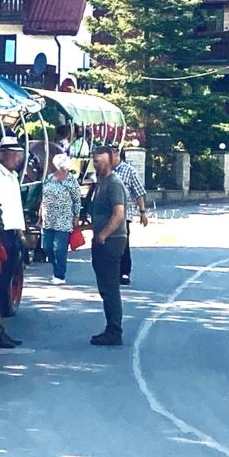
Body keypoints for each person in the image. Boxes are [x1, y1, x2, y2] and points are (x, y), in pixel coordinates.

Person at [0, 136, 26, 348]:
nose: (16, 158)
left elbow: (14, 207)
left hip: (12, 234)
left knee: (4, 285)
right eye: (12, 154)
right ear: (0, 154)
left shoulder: (12, 176)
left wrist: (20, 232)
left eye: (18, 154)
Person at [89, 144, 127, 346]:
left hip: (112, 240)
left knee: (110, 286)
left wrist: (103, 235)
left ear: (110, 160)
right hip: (102, 239)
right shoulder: (101, 182)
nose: (97, 165)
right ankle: (111, 328)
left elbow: (118, 213)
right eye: (95, 161)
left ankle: (114, 331)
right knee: (105, 286)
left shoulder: (113, 183)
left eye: (101, 161)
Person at [39, 153, 81, 283]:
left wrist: (76, 216)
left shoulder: (71, 180)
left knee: (60, 248)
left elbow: (76, 199)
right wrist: (40, 212)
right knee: (47, 246)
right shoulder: (50, 178)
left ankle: (59, 275)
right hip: (48, 217)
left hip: (63, 218)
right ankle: (56, 267)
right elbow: (44, 196)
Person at [112, 148, 148, 285]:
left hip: (123, 214)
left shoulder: (129, 171)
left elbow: (138, 192)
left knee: (123, 243)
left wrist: (142, 212)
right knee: (108, 244)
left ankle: (125, 272)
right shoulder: (105, 171)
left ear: (117, 154)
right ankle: (112, 272)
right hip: (107, 214)